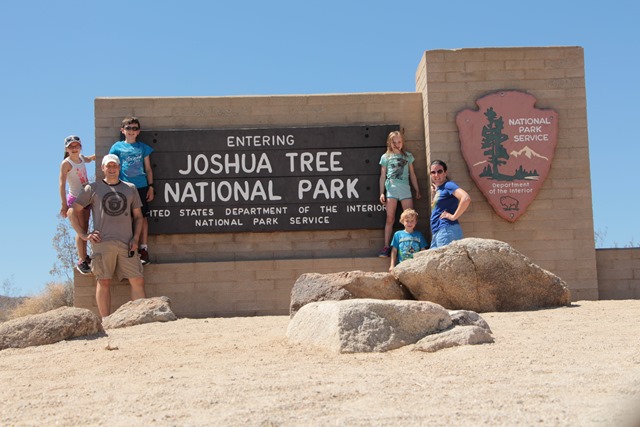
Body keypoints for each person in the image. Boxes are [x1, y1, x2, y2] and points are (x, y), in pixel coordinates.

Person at [68, 154, 146, 318]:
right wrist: (84, 235)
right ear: (103, 168)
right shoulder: (93, 188)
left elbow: (138, 217)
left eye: (115, 166)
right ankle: (106, 320)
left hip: (127, 243)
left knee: (137, 280)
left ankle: (141, 318)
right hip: (102, 243)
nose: (112, 169)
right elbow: (72, 211)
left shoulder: (130, 188)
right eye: (108, 166)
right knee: (103, 281)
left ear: (119, 168)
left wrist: (136, 239)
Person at [109, 116, 154, 265]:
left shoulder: (142, 147)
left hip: (141, 186)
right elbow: (111, 166)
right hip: (123, 187)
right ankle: (128, 249)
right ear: (123, 130)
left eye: (134, 128)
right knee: (126, 218)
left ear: (138, 131)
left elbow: (148, 168)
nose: (131, 131)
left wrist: (151, 186)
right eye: (128, 128)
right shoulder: (117, 147)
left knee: (142, 217)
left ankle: (143, 249)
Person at [378, 130, 421, 257]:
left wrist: (417, 189)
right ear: (389, 143)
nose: (397, 144)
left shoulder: (407, 156)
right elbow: (382, 176)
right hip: (391, 189)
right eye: (394, 142)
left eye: (399, 142)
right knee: (390, 218)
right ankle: (386, 246)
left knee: (410, 217)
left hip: (405, 189)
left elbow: (412, 174)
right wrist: (381, 193)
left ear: (403, 142)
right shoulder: (385, 157)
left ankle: (412, 245)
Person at [59, 135, 96, 275]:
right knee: (81, 230)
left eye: (77, 146)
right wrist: (64, 204)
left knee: (85, 227)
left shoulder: (81, 158)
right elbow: (62, 184)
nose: (74, 149)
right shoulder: (66, 163)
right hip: (75, 199)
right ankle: (81, 259)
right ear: (66, 149)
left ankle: (85, 256)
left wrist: (98, 156)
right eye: (71, 147)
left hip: (86, 198)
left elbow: (89, 159)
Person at [429, 159, 471, 249]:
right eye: (433, 172)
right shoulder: (440, 189)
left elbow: (466, 198)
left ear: (445, 173)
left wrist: (453, 216)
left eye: (439, 171)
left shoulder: (449, 185)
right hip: (438, 232)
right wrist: (434, 194)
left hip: (446, 230)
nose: (436, 175)